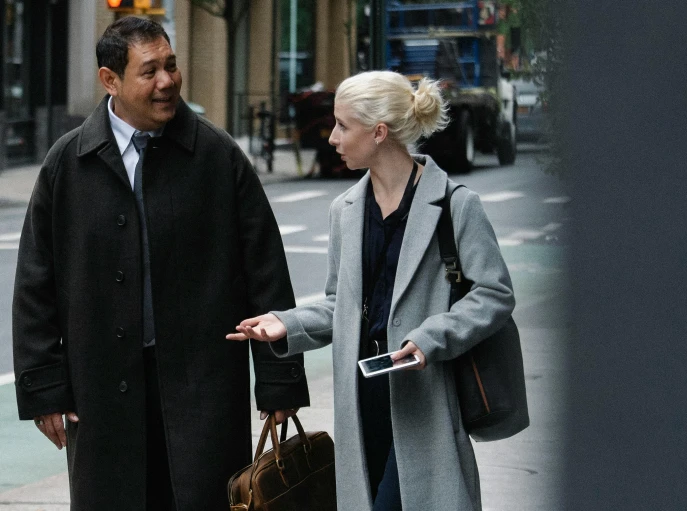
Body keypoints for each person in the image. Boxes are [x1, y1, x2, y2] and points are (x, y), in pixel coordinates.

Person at [12, 17, 309, 511]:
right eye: (149, 71)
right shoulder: (68, 164)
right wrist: (45, 390)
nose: (167, 81)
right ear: (110, 80)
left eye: (171, 65)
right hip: (101, 392)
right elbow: (35, 284)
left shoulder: (216, 156)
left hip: (203, 388)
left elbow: (266, 272)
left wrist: (280, 380)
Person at [227, 70, 515, 510]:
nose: (332, 138)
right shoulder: (344, 211)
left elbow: (494, 294)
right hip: (361, 402)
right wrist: (284, 324)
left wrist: (431, 336)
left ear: (379, 132)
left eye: (343, 126)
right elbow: (338, 304)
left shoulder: (455, 205)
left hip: (425, 400)